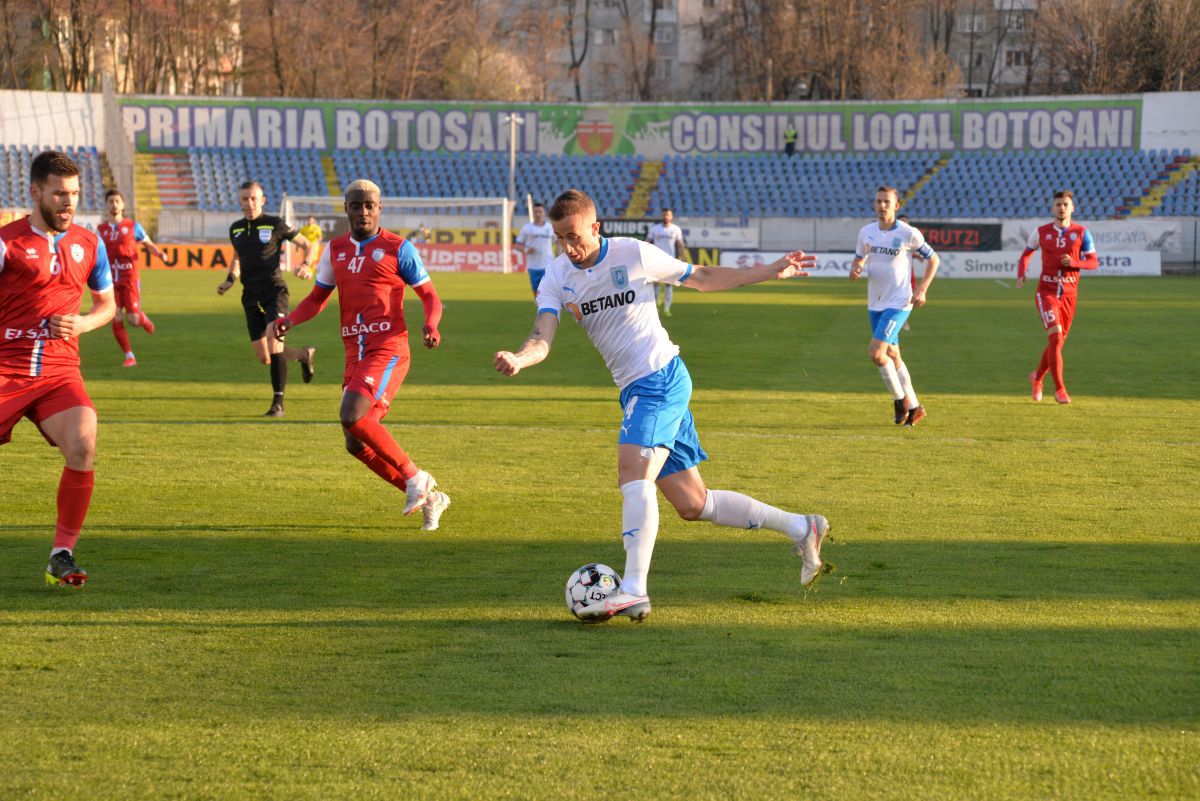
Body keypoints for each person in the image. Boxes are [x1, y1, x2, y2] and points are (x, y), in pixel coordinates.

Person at [494, 189, 830, 622]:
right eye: (560, 238)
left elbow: (701, 277)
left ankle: (634, 589)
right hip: (635, 390)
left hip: (660, 378)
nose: (568, 247)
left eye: (574, 236)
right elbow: (543, 334)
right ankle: (803, 527)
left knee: (632, 473)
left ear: (596, 227)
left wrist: (768, 271)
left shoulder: (633, 254)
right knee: (694, 504)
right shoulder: (557, 276)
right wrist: (521, 358)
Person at [266, 180, 450, 530]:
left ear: (380, 208)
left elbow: (430, 295)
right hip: (355, 351)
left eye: (369, 205)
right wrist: (289, 320)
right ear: (346, 208)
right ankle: (431, 497)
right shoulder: (335, 250)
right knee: (355, 441)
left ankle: (416, 477)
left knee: (351, 413)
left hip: (388, 348)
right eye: (356, 205)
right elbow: (317, 299)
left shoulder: (399, 248)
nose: (363, 211)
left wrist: (431, 324)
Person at [0, 151, 117, 587]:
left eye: (74, 194)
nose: (69, 203)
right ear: (35, 192)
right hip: (6, 367)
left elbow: (107, 305)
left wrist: (83, 321)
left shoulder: (89, 243)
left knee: (84, 441)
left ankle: (61, 554)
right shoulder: (6, 242)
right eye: (59, 194)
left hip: (59, 371)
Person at [217, 181, 317, 417]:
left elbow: (308, 244)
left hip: (275, 292)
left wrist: (306, 265)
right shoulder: (236, 229)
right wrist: (229, 280)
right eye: (244, 199)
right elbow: (238, 259)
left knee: (274, 339)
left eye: (253, 198)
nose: (249, 203)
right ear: (239, 201)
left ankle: (278, 404)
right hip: (250, 296)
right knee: (266, 357)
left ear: (262, 200)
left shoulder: (275, 224)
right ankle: (304, 355)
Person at [850, 186, 940, 427]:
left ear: (896, 206)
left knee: (876, 353)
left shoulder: (909, 233)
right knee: (893, 355)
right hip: (875, 302)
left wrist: (922, 289)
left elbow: (933, 259)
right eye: (878, 201)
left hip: (900, 302)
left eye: (887, 202)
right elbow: (859, 257)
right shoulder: (866, 232)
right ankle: (915, 407)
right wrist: (856, 267)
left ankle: (900, 400)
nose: (882, 206)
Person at [1016, 189, 1098, 404]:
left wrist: (1075, 263)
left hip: (1070, 295)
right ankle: (1060, 390)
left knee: (1058, 342)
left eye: (1065, 204)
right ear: (1053, 208)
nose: (1062, 208)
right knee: (1055, 336)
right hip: (1047, 292)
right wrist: (1021, 272)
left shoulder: (1082, 233)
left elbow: (1093, 262)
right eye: (1058, 204)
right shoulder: (1041, 232)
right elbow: (1026, 254)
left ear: (1072, 208)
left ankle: (1037, 378)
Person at [97, 188, 165, 366]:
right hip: (110, 281)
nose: (114, 204)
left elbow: (148, 244)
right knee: (115, 315)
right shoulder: (100, 230)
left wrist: (160, 254)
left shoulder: (133, 226)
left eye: (117, 201)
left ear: (123, 204)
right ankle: (129, 356)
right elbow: (95, 253)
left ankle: (142, 318)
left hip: (130, 278)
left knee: (133, 320)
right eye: (110, 201)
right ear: (106, 205)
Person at [646, 208, 686, 317]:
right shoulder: (655, 229)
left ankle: (667, 308)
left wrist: (683, 257)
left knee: (669, 285)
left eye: (668, 215)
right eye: (664, 215)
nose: (666, 217)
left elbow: (680, 244)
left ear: (671, 216)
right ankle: (657, 303)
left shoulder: (676, 229)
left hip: (670, 261)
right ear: (661, 216)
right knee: (655, 283)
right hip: (656, 260)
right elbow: (647, 242)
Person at [513, 201, 556, 298]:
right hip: (533, 266)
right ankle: (540, 307)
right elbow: (517, 245)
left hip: (548, 264)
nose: (538, 214)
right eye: (536, 212)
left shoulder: (550, 227)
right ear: (533, 213)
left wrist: (559, 253)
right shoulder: (526, 228)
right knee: (536, 291)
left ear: (544, 212)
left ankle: (548, 309)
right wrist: (526, 250)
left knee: (549, 290)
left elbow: (558, 241)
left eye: (540, 211)